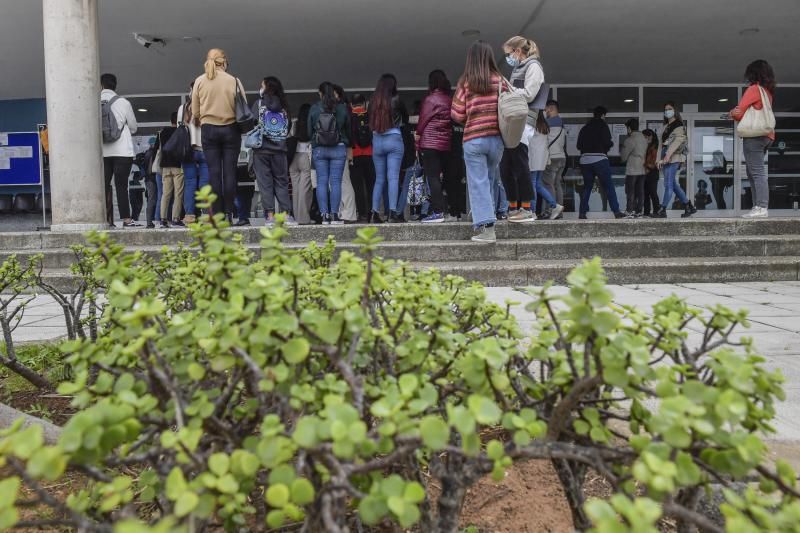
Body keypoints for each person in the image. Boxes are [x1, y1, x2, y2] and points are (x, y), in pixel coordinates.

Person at [451, 40, 505, 243]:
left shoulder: (467, 81)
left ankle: (487, 229)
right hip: (496, 140)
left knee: (478, 183)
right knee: (489, 180)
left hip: (474, 138)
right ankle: (486, 216)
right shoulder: (500, 80)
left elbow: (456, 113)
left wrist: (471, 116)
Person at [191, 48, 246, 222]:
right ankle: (230, 213)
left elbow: (195, 111)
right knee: (229, 172)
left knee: (214, 172)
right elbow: (243, 104)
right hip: (231, 128)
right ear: (224, 62)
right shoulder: (234, 80)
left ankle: (217, 214)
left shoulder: (199, 81)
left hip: (209, 130)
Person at [503, 36, 546, 223]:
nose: (508, 57)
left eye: (509, 53)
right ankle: (513, 206)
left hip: (524, 120)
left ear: (517, 51)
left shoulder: (533, 67)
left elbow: (529, 94)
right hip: (514, 120)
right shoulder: (519, 67)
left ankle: (527, 208)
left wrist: (508, 89)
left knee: (519, 163)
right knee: (507, 166)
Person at [730, 59, 776, 219]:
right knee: (753, 172)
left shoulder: (754, 89)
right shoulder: (767, 92)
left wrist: (731, 113)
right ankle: (758, 206)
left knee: (756, 173)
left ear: (753, 73)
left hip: (754, 137)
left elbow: (739, 112)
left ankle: (761, 206)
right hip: (766, 136)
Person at [250, 76, 295, 226]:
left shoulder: (258, 104)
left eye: (261, 85)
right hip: (280, 151)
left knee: (265, 184)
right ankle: (286, 215)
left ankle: (270, 217)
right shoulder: (284, 106)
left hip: (261, 151)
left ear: (266, 88)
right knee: (282, 182)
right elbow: (287, 128)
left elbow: (252, 123)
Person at [100, 73, 139, 227]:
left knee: (103, 186)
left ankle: (105, 219)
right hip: (123, 151)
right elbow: (134, 127)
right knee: (121, 185)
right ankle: (126, 220)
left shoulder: (94, 102)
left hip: (103, 152)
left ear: (101, 86)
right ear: (115, 85)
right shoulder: (123, 102)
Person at [308, 81, 350, 225]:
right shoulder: (342, 108)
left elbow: (309, 131)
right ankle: (335, 215)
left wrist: (314, 142)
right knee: (336, 182)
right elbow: (348, 129)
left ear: (321, 93)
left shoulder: (314, 108)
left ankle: (324, 215)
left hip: (319, 149)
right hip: (338, 148)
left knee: (321, 182)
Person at [415, 69, 453, 223]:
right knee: (444, 177)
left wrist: (417, 136)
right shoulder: (449, 100)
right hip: (445, 144)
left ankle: (438, 212)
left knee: (433, 177)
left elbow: (423, 120)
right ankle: (447, 209)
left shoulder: (430, 99)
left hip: (430, 143)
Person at [370, 74, 407, 223]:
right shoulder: (397, 99)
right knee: (393, 178)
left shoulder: (373, 101)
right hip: (393, 139)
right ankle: (392, 213)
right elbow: (405, 116)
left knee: (379, 179)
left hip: (377, 140)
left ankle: (374, 213)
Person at [577, 106, 624, 219]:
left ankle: (582, 213)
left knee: (587, 187)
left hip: (585, 161)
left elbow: (578, 145)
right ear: (603, 115)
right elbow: (607, 142)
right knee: (608, 186)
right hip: (600, 160)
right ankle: (616, 212)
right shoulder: (603, 125)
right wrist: (609, 145)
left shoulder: (585, 128)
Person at [653, 102, 697, 218]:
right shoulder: (665, 126)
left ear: (675, 111)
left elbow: (677, 142)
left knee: (668, 184)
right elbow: (660, 145)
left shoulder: (679, 125)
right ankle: (688, 206)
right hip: (665, 157)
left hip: (674, 157)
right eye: (666, 109)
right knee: (673, 184)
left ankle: (662, 209)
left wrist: (667, 156)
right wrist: (658, 159)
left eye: (670, 109)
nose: (667, 111)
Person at [178, 81, 209, 224]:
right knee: (205, 182)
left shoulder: (182, 108)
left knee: (190, 182)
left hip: (187, 151)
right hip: (205, 150)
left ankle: (189, 215)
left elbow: (179, 129)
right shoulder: (207, 106)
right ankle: (206, 215)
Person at [525, 110, 564, 220]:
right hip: (541, 160)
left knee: (532, 185)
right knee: (538, 185)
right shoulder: (545, 127)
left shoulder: (531, 127)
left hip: (532, 159)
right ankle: (554, 205)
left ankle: (532, 211)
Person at [154, 112, 185, 228]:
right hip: (178, 166)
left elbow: (157, 149)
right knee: (178, 193)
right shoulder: (181, 132)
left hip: (165, 166)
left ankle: (163, 219)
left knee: (165, 194)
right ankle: (176, 219)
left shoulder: (162, 133)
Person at [349, 94, 375, 223]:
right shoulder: (370, 116)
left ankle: (362, 214)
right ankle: (372, 212)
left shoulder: (350, 117)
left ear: (351, 104)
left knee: (358, 187)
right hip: (370, 154)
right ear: (364, 103)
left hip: (355, 155)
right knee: (371, 186)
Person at [290, 103, 314, 224]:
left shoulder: (295, 123)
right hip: (306, 157)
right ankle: (304, 218)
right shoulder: (311, 123)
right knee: (305, 190)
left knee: (296, 189)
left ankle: (296, 217)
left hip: (293, 158)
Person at [542, 99, 567, 215]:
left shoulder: (548, 123)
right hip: (562, 158)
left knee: (548, 185)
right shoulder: (561, 123)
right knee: (557, 184)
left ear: (551, 109)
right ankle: (560, 211)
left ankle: (551, 210)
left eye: (546, 109)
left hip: (552, 158)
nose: (545, 112)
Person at [620, 118, 647, 218]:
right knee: (640, 191)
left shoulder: (630, 139)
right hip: (642, 168)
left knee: (630, 191)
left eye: (627, 128)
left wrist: (621, 151)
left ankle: (630, 210)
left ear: (629, 128)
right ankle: (639, 211)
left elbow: (623, 157)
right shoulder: (643, 138)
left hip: (632, 168)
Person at [641, 129, 661, 217]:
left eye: (645, 137)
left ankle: (657, 211)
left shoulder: (655, 147)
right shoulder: (646, 146)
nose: (644, 139)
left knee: (652, 192)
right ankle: (646, 212)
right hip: (645, 171)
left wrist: (647, 168)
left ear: (651, 136)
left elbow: (654, 161)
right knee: (645, 193)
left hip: (652, 172)